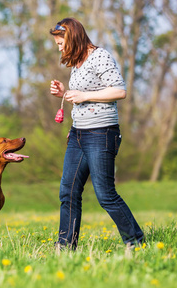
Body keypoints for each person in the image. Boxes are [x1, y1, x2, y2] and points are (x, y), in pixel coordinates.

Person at [49, 18, 144, 250]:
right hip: (78, 134)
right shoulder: (77, 63)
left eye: (61, 42)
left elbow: (119, 90)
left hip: (101, 133)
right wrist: (66, 92)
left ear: (73, 38)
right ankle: (65, 247)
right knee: (68, 191)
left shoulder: (100, 56)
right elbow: (83, 92)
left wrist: (83, 96)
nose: (59, 47)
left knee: (105, 194)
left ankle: (136, 242)